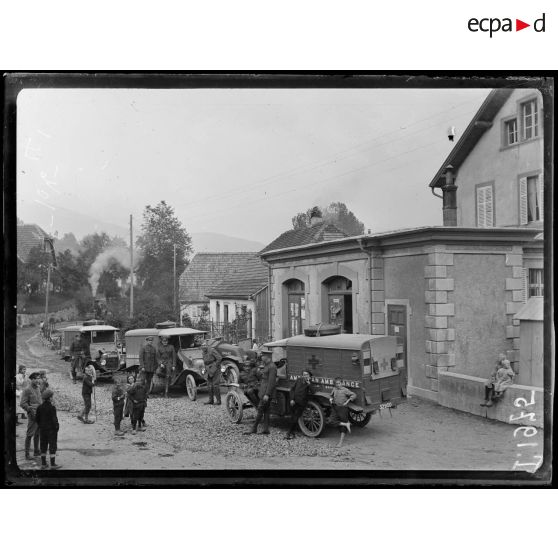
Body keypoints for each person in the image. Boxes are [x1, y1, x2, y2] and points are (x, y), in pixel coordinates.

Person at [244, 347, 277, 435]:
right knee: (266, 410)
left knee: (260, 410)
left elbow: (271, 382)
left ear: (268, 357)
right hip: (263, 391)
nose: (261, 357)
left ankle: (254, 428)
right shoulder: (267, 365)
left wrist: (267, 394)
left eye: (263, 356)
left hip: (266, 393)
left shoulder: (272, 367)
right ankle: (266, 429)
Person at [35, 389, 61, 470]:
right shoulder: (52, 408)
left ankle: (43, 464)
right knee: (52, 446)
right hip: (51, 430)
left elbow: (37, 419)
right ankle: (53, 464)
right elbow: (54, 420)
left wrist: (41, 426)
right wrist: (57, 427)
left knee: (43, 446)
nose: (53, 398)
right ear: (49, 398)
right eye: (52, 397)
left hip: (42, 430)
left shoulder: (39, 407)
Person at [20, 372, 43, 460]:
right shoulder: (27, 390)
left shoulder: (38, 388)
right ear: (31, 379)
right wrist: (29, 409)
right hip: (32, 415)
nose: (38, 380)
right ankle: (27, 454)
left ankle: (36, 451)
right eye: (36, 379)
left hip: (40, 414)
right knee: (30, 434)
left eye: (38, 378)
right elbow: (22, 403)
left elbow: (39, 401)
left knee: (37, 433)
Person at [285, 370, 314, 440]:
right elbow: (292, 389)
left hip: (301, 403)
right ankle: (292, 433)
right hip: (294, 401)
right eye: (304, 374)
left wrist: (309, 384)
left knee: (296, 417)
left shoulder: (309, 383)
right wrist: (292, 399)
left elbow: (313, 392)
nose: (305, 376)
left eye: (307, 374)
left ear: (309, 376)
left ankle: (288, 433)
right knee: (292, 417)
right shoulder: (298, 380)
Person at [329, 378, 357, 448]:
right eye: (336, 384)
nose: (338, 385)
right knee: (331, 421)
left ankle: (340, 442)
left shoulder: (345, 390)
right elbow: (331, 395)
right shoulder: (334, 389)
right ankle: (346, 424)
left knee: (342, 427)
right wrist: (331, 399)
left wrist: (347, 401)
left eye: (339, 383)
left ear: (342, 383)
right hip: (335, 407)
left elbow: (353, 395)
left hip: (343, 408)